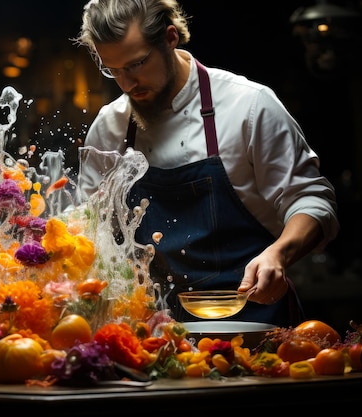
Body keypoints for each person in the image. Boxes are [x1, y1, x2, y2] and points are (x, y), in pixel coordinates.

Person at [74, 0, 340, 327]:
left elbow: (311, 200)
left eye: (137, 64)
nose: (127, 84)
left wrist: (279, 253)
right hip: (155, 333)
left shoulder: (248, 106)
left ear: (170, 38)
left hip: (256, 322)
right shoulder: (109, 126)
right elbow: (89, 227)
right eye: (112, 70)